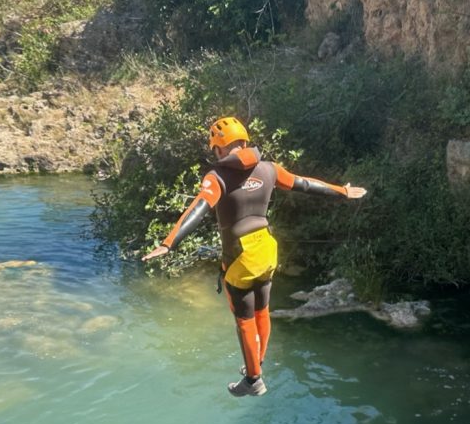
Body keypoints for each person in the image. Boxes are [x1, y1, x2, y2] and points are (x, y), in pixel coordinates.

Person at [142, 116, 367, 397]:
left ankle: (253, 380)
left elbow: (199, 208)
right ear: (245, 141)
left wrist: (169, 243)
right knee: (262, 310)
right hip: (267, 249)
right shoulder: (269, 169)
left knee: (245, 320)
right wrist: (342, 191)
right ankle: (257, 361)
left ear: (218, 149)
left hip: (241, 258)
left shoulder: (217, 177)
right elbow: (304, 184)